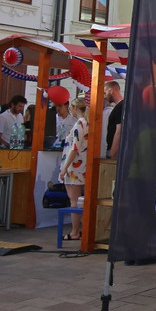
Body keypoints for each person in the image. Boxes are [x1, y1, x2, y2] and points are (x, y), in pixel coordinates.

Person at [58, 97, 89, 241]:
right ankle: (81, 228)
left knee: (74, 201)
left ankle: (75, 231)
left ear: (75, 108)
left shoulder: (79, 124)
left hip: (74, 166)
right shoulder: (85, 123)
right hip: (81, 165)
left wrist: (64, 168)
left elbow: (74, 148)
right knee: (78, 200)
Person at [105, 80, 124, 158]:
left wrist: (112, 152)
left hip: (115, 150)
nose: (105, 96)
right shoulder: (119, 106)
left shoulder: (120, 106)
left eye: (105, 93)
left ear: (111, 91)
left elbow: (119, 131)